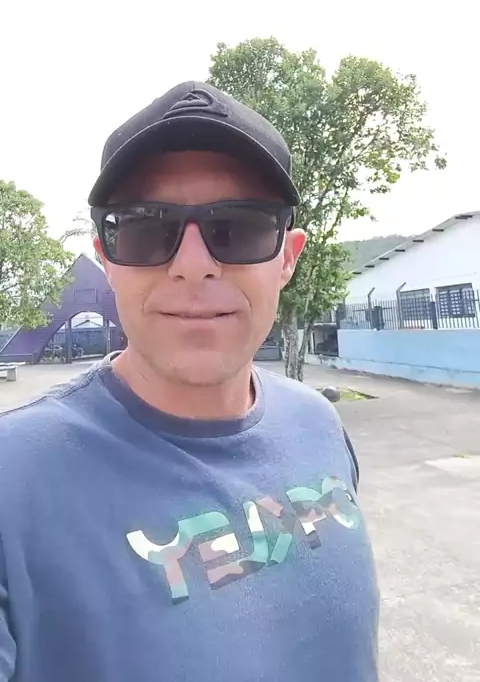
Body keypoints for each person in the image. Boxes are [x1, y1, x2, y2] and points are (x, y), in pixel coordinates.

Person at [0, 81, 379, 681]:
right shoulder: (14, 480)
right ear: (107, 257)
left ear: (287, 258)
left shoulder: (318, 422)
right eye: (146, 229)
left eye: (238, 227)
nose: (194, 264)